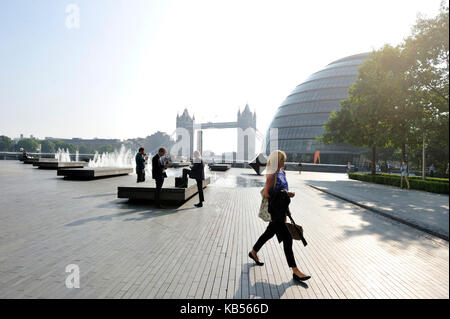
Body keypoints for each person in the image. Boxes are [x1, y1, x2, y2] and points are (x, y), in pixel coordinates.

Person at [249, 150, 311, 282]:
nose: (285, 162)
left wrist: (286, 208)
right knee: (287, 239)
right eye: (283, 159)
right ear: (278, 160)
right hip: (275, 211)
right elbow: (267, 193)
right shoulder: (272, 174)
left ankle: (253, 252)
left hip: (281, 210)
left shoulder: (282, 172)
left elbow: (282, 192)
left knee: (269, 233)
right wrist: (287, 194)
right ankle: (295, 271)